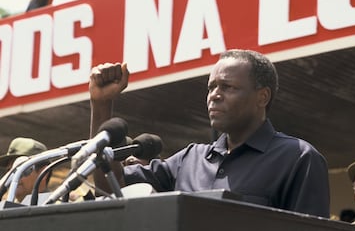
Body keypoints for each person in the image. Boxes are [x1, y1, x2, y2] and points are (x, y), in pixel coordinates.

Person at [89, 49, 330, 217]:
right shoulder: (188, 160)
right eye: (211, 87)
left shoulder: (299, 158)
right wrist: (101, 106)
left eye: (227, 87)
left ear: (262, 96)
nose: (214, 95)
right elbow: (111, 186)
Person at [0, 137, 50, 203]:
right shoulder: (5, 207)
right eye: (10, 171)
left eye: (21, 170)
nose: (13, 176)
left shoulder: (59, 209)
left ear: (43, 173)